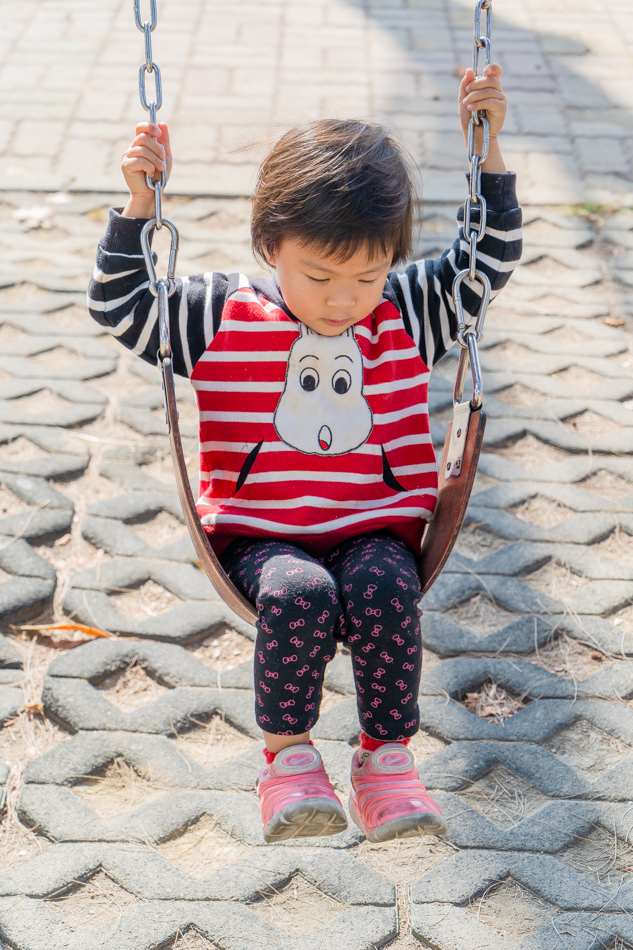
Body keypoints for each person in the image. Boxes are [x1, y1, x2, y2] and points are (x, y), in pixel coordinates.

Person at [88, 63, 521, 844]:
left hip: (374, 530)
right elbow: (119, 304)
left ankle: (386, 764)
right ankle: (288, 765)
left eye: (365, 273)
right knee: (298, 597)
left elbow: (485, 259)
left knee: (388, 593)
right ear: (268, 246)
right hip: (263, 537)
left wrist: (485, 150)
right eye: (317, 274)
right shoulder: (220, 317)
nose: (341, 298)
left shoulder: (407, 309)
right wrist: (139, 203)